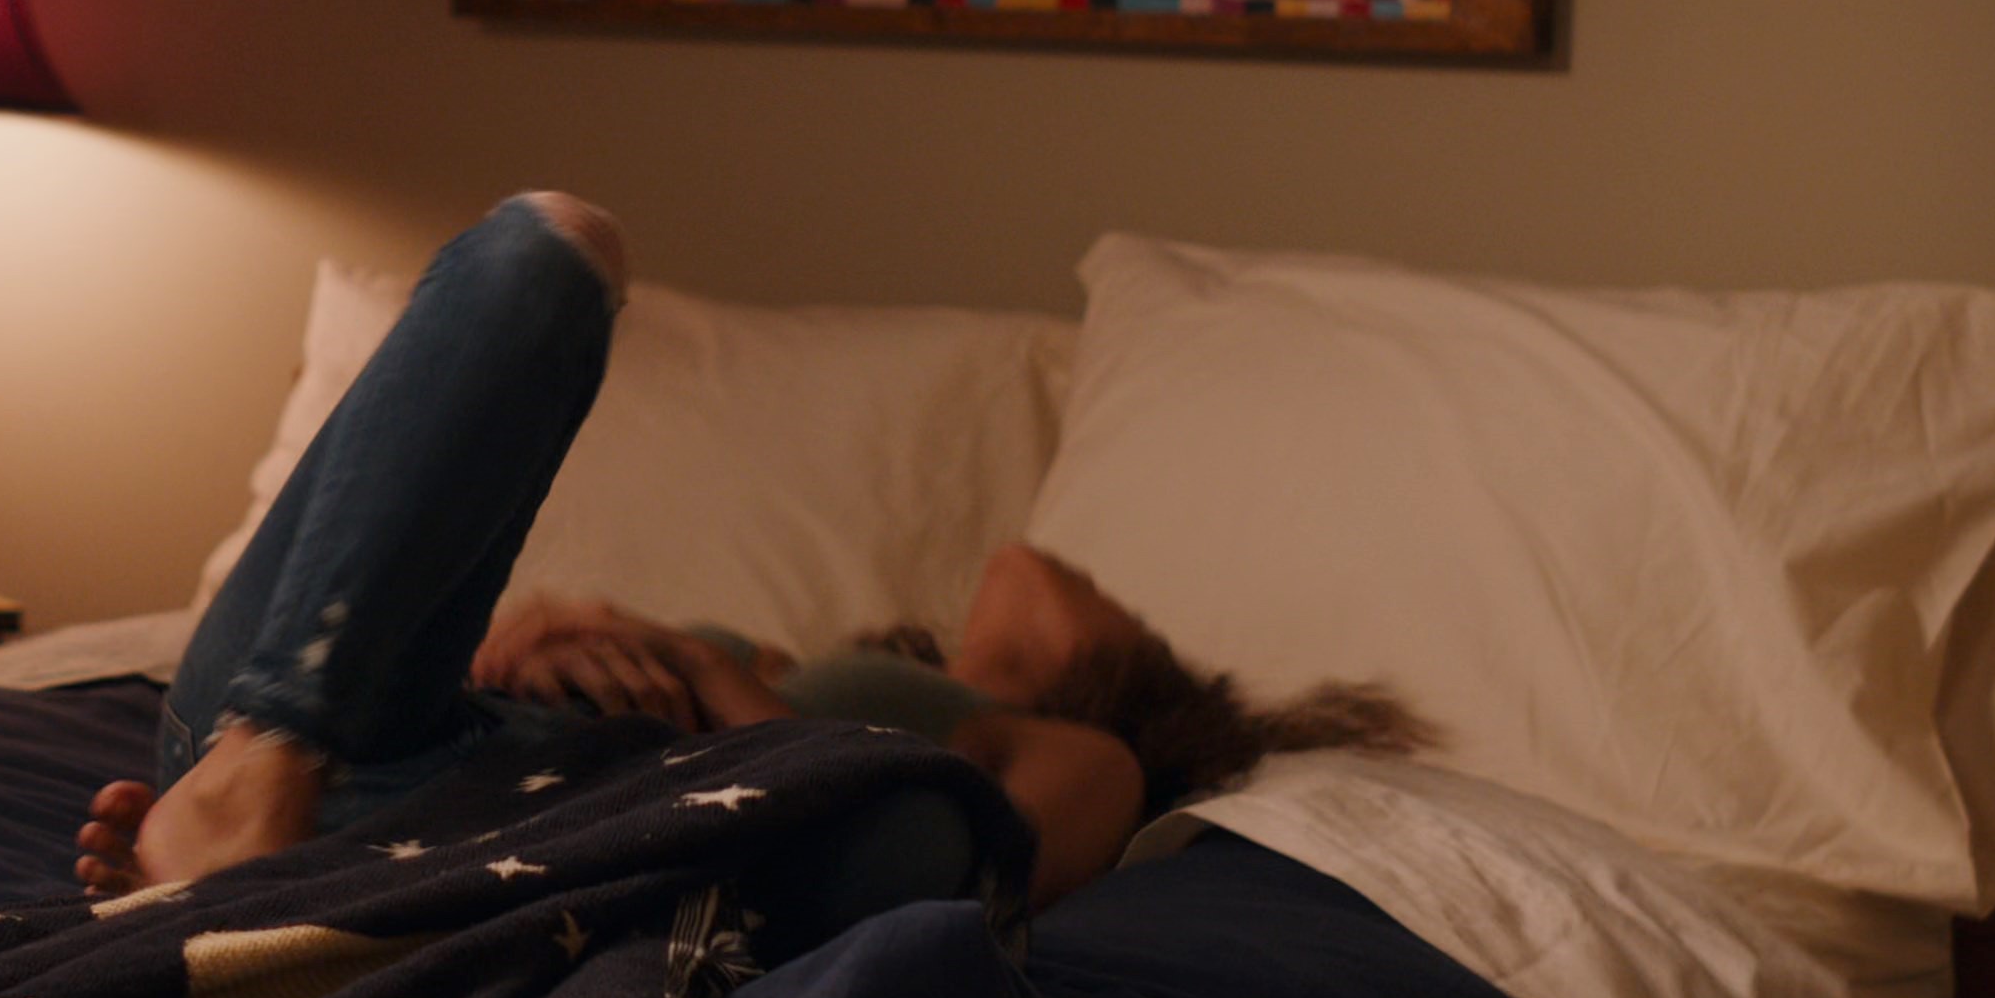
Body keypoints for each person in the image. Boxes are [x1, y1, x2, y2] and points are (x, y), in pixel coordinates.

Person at [73, 193, 1425, 916]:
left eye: (1114, 610)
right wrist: (542, 638)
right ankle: (270, 770)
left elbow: (987, 868)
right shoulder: (798, 658)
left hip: (583, 841)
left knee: (919, 839)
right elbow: (416, 619)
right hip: (389, 748)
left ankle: (292, 851)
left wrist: (699, 676)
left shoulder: (1098, 760)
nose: (1053, 577)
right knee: (553, 245)